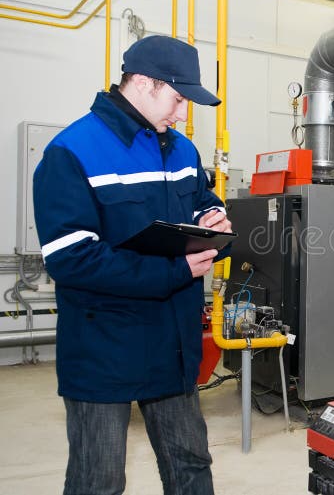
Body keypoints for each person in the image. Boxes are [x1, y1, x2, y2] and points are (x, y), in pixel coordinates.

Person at [33, 35, 231, 495]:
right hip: (104, 348)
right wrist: (176, 272)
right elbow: (72, 259)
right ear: (143, 83)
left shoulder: (182, 151)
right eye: (178, 99)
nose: (182, 114)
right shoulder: (72, 151)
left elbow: (202, 200)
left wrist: (212, 218)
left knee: (191, 466)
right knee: (97, 480)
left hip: (174, 345)